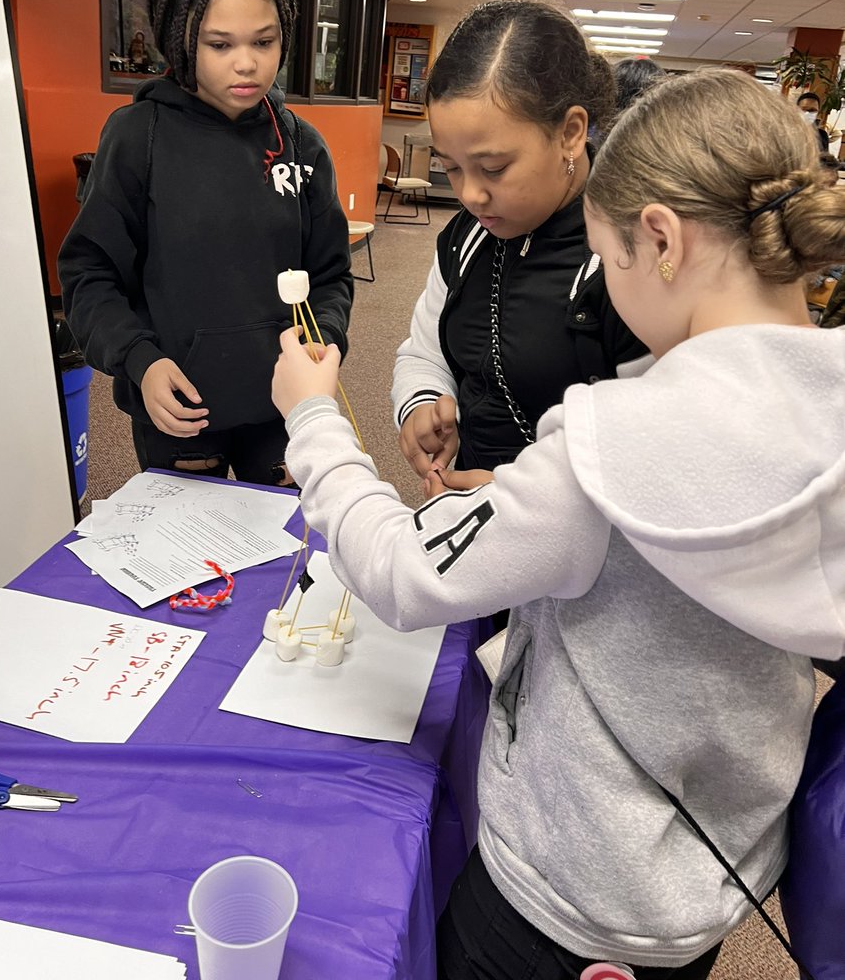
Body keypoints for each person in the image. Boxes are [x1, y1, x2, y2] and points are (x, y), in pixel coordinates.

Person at [270, 66, 845, 978]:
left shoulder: (608, 447)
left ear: (658, 240)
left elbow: (399, 572)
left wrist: (312, 416)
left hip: (564, 891)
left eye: (608, 258)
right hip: (712, 884)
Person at [59, 0, 353, 484]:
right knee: (193, 563)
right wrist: (139, 363)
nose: (246, 63)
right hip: (181, 410)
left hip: (283, 410)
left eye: (264, 42)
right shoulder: (136, 137)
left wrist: (327, 340)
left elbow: (332, 276)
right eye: (220, 45)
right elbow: (89, 274)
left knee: (287, 557)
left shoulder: (301, 144)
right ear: (181, 38)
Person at [392, 0, 645, 483]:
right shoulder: (466, 237)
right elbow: (425, 351)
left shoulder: (634, 257)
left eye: (494, 168)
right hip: (469, 511)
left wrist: (518, 498)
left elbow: (658, 453)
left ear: (571, 132)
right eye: (450, 166)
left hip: (578, 537)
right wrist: (420, 402)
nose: (470, 194)